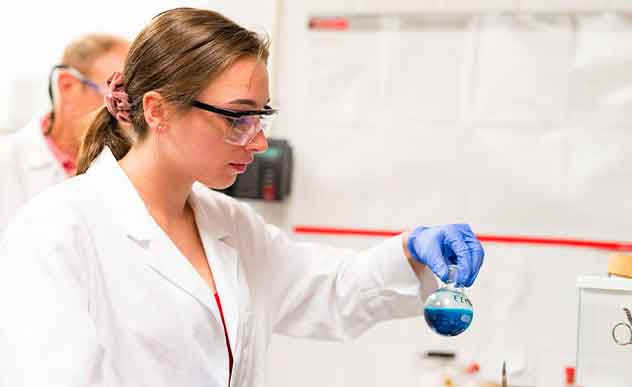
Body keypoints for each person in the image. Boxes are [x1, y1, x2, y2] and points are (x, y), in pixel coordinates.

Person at [0, 8, 484, 387]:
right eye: (237, 118)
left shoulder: (228, 224)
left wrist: (413, 251)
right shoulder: (58, 230)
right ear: (158, 110)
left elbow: (329, 288)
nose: (257, 141)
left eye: (261, 116)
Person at [0, 33, 129, 233]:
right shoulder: (7, 163)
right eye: (116, 96)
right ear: (67, 86)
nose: (125, 113)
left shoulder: (129, 169)